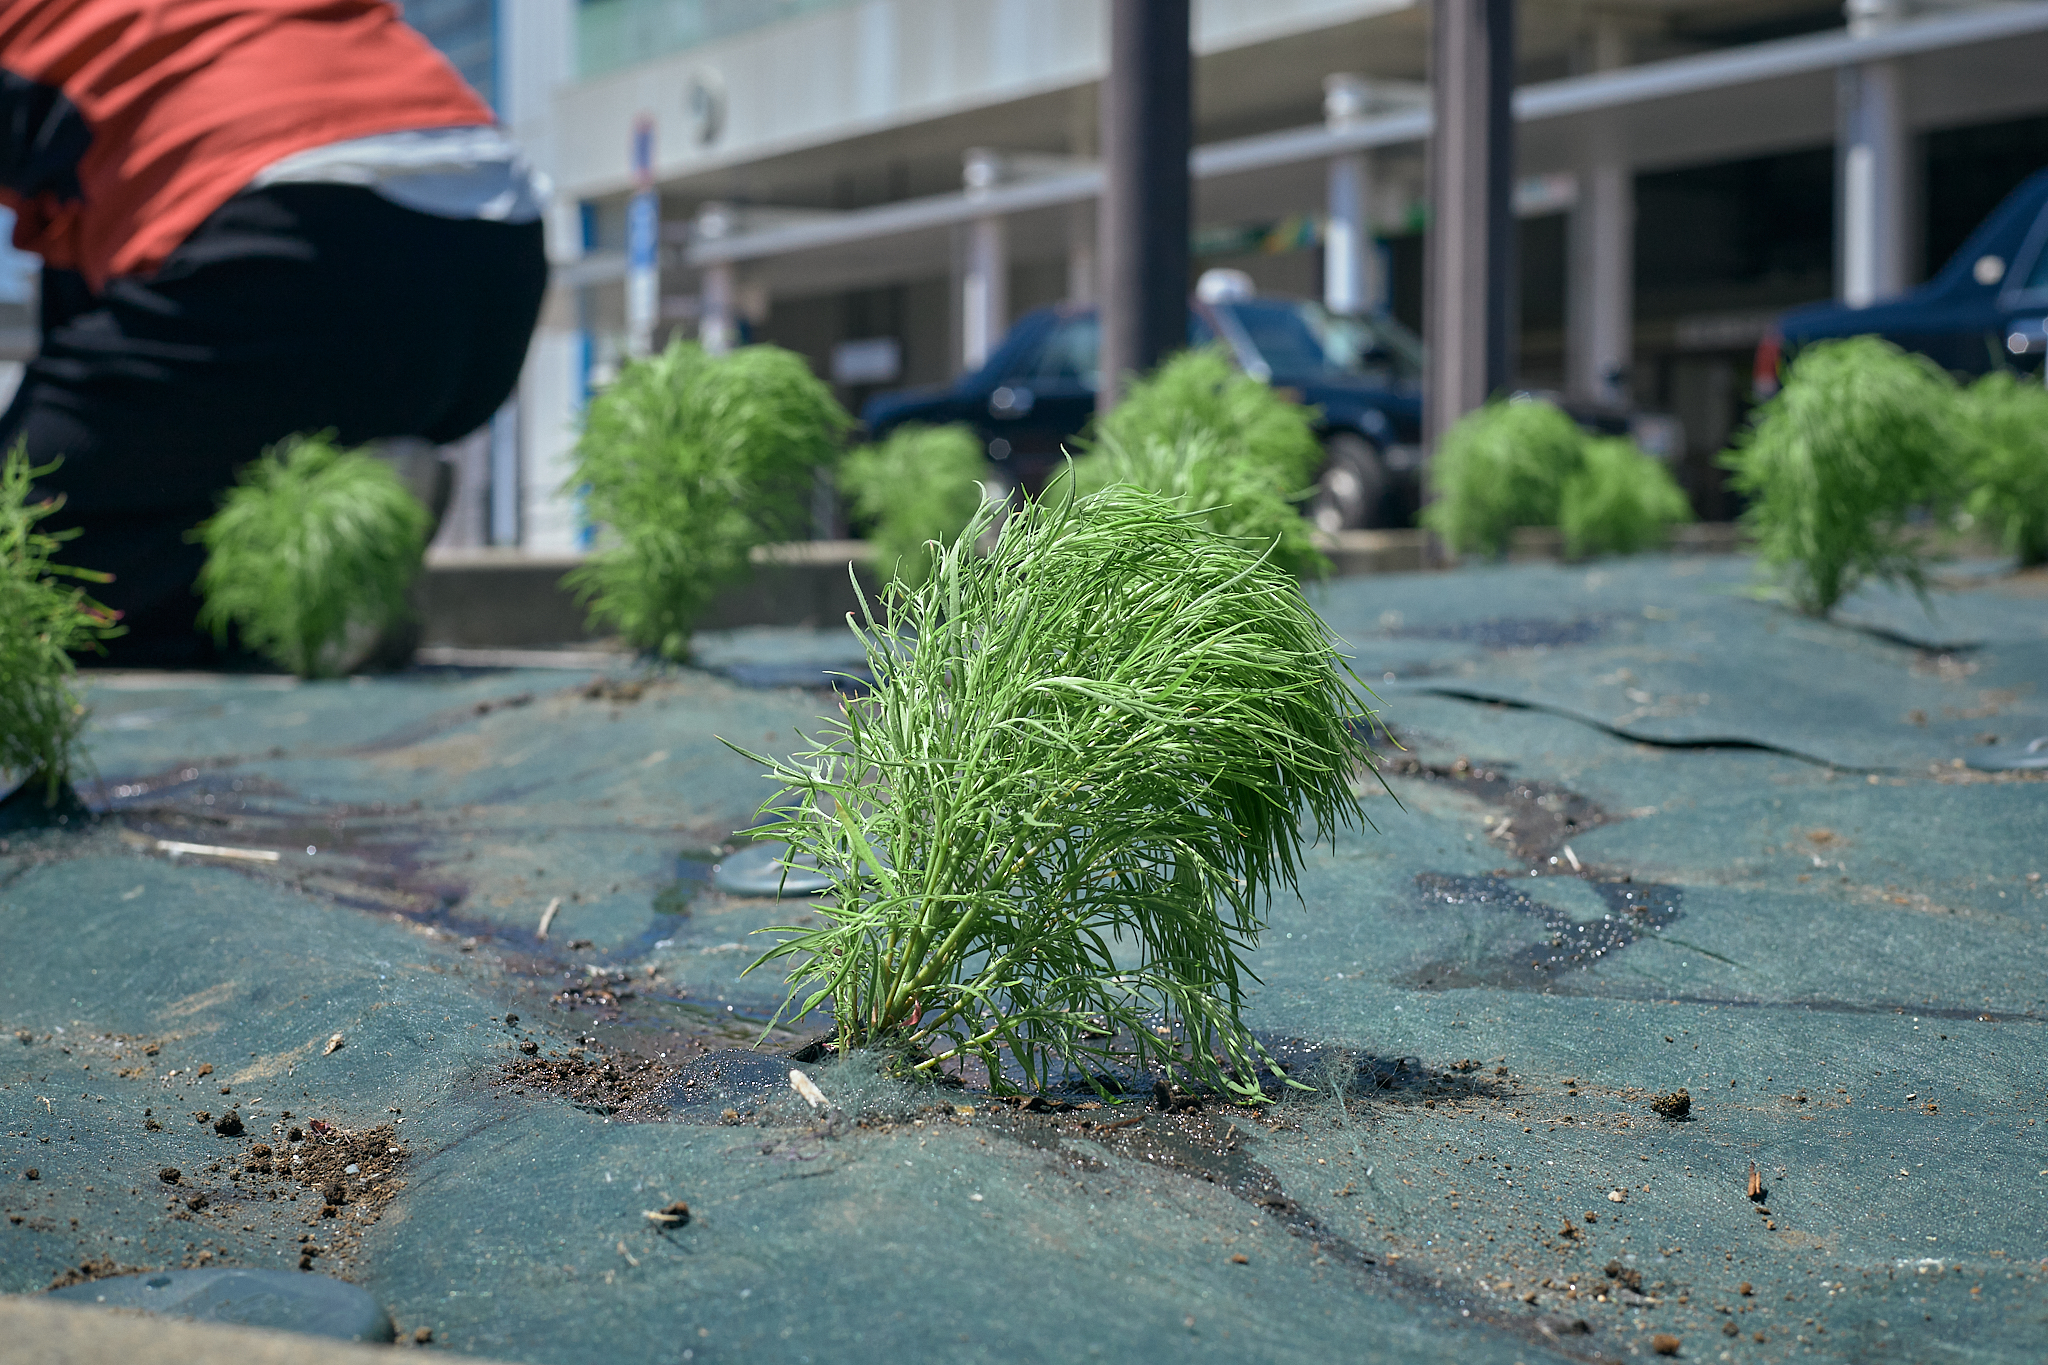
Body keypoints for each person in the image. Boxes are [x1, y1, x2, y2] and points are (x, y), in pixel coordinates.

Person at [0, 0, 549, 666]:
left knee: (23, 563)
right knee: (111, 495)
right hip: (496, 255)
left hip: (297, 237)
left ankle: (297, 596)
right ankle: (331, 541)